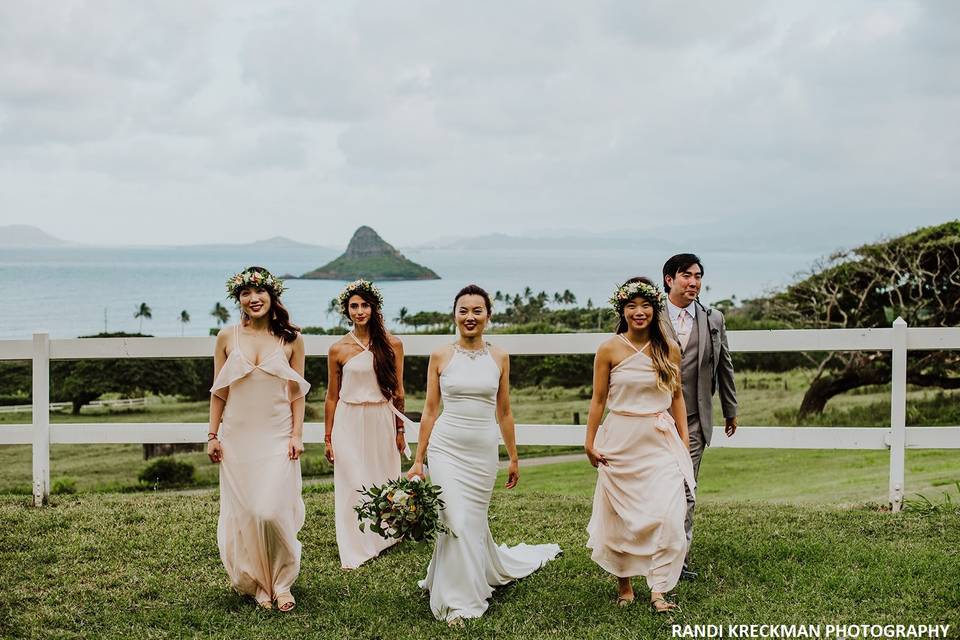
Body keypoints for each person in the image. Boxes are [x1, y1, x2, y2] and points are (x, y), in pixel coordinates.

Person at [407, 284, 561, 625]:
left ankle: (455, 575)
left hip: (481, 453)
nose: (470, 317)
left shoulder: (500, 357)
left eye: (477, 311)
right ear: (455, 316)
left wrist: (514, 457)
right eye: (463, 310)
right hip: (445, 448)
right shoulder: (440, 356)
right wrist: (419, 460)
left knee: (470, 523)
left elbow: (504, 412)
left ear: (488, 317)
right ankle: (460, 602)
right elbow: (430, 411)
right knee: (454, 519)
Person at [584, 277, 695, 613]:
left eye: (645, 305)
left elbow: (676, 398)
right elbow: (598, 399)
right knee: (621, 518)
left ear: (654, 309)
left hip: (659, 441)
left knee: (668, 515)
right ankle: (625, 585)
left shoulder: (669, 349)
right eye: (631, 306)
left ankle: (659, 589)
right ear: (623, 310)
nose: (639, 312)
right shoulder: (609, 348)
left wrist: (684, 441)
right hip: (619, 439)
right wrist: (589, 441)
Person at [208, 266, 309, 612]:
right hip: (238, 439)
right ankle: (257, 585)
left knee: (271, 511)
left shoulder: (292, 339)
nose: (254, 299)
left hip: (278, 437)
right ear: (238, 299)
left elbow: (297, 394)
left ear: (272, 296)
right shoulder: (226, 338)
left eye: (260, 292)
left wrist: (297, 434)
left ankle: (282, 583)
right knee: (248, 513)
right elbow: (219, 393)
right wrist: (212, 434)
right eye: (246, 293)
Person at [662, 254, 738, 580]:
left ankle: (678, 563)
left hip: (694, 419)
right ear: (669, 280)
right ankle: (647, 554)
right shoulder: (650, 315)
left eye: (698, 276)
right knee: (654, 490)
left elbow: (724, 364)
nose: (693, 282)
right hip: (654, 418)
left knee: (686, 489)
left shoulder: (713, 319)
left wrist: (730, 408)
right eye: (686, 276)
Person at [325, 279, 409, 569]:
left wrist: (400, 430)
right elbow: (332, 396)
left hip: (382, 418)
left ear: (374, 308)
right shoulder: (338, 349)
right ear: (347, 311)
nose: (360, 311)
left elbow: (399, 391)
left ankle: (384, 536)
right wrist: (327, 437)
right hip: (348, 421)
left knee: (383, 477)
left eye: (365, 305)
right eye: (354, 306)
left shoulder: (392, 344)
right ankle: (356, 544)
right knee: (352, 480)